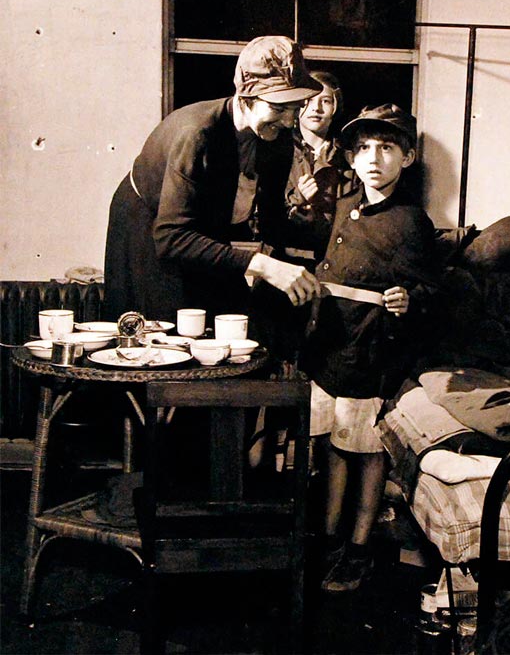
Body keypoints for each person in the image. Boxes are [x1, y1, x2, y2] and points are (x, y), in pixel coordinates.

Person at [300, 104, 440, 593]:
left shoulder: (412, 222)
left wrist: (409, 299)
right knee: (333, 448)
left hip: (369, 351)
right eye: (363, 148)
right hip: (329, 347)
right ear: (352, 159)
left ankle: (359, 549)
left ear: (407, 156)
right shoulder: (343, 205)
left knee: (364, 451)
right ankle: (331, 538)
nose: (373, 158)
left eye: (386, 147)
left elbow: (433, 292)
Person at [103, 35, 323, 329]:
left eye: (295, 109)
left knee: (235, 321)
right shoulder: (196, 135)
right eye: (279, 108)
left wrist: (330, 244)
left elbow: (271, 222)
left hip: (202, 230)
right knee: (169, 332)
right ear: (246, 97)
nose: (287, 121)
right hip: (149, 232)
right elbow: (172, 238)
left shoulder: (277, 139)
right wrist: (263, 266)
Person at [284, 71, 355, 263]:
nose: (316, 108)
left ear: (335, 107)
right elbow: (257, 221)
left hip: (332, 262)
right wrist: (296, 202)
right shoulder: (278, 153)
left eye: (325, 101)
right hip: (281, 262)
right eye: (309, 99)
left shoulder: (350, 159)